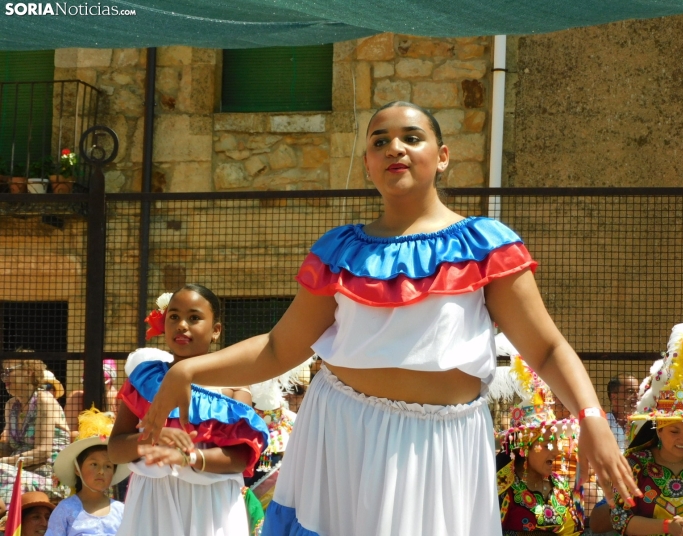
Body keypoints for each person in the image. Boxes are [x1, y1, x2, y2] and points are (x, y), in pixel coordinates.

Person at [138, 101, 640, 535]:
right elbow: (279, 348)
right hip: (342, 433)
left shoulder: (485, 245)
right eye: (380, 141)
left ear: (442, 157)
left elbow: (548, 348)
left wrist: (590, 416)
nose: (394, 148)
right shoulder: (340, 250)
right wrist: (187, 369)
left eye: (411, 137)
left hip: (443, 447)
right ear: (367, 164)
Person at [107, 285, 269, 536]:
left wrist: (189, 458)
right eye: (174, 316)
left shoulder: (234, 387)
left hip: (211, 507)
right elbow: (115, 450)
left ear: (216, 330)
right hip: (151, 501)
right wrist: (152, 438)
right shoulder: (145, 379)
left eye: (194, 318)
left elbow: (239, 458)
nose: (182, 325)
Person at [610, 320, 683, 535]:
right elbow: (620, 520)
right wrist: (668, 527)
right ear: (658, 430)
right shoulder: (635, 466)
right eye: (674, 431)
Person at [488, 343, 583, 535]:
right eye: (548, 444)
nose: (556, 451)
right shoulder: (501, 485)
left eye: (556, 442)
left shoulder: (560, 486)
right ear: (524, 445)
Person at [46, 408, 129, 536]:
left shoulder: (121, 511)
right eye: (94, 464)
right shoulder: (65, 509)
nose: (101, 471)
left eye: (108, 466)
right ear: (77, 469)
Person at [0, 359, 70, 503]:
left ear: (28, 372)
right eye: (3, 372)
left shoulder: (44, 400)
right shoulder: (11, 405)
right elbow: (9, 448)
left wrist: (4, 462)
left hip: (50, 477)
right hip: (17, 472)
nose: (4, 377)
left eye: (9, 371)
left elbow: (43, 452)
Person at [65, 360, 119, 438]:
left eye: (101, 382)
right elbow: (68, 433)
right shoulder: (76, 398)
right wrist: (92, 435)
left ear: (111, 381)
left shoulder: (119, 399)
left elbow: (123, 435)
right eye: (91, 380)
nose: (95, 386)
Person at [606, 374, 639, 452]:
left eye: (638, 391)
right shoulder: (603, 423)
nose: (637, 396)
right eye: (630, 392)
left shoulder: (643, 423)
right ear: (614, 397)